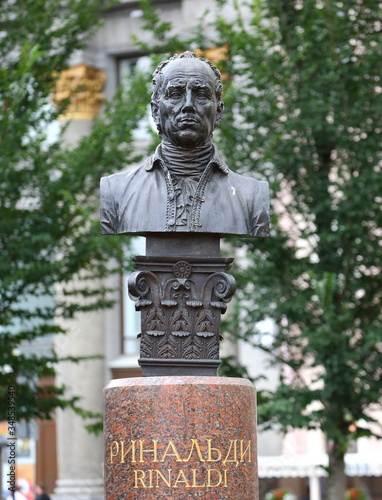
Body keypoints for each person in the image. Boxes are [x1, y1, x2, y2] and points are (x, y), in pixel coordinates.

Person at [100, 51, 269, 238]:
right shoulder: (116, 191)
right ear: (156, 111)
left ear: (218, 111)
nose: (188, 105)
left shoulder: (252, 196)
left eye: (201, 95)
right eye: (175, 94)